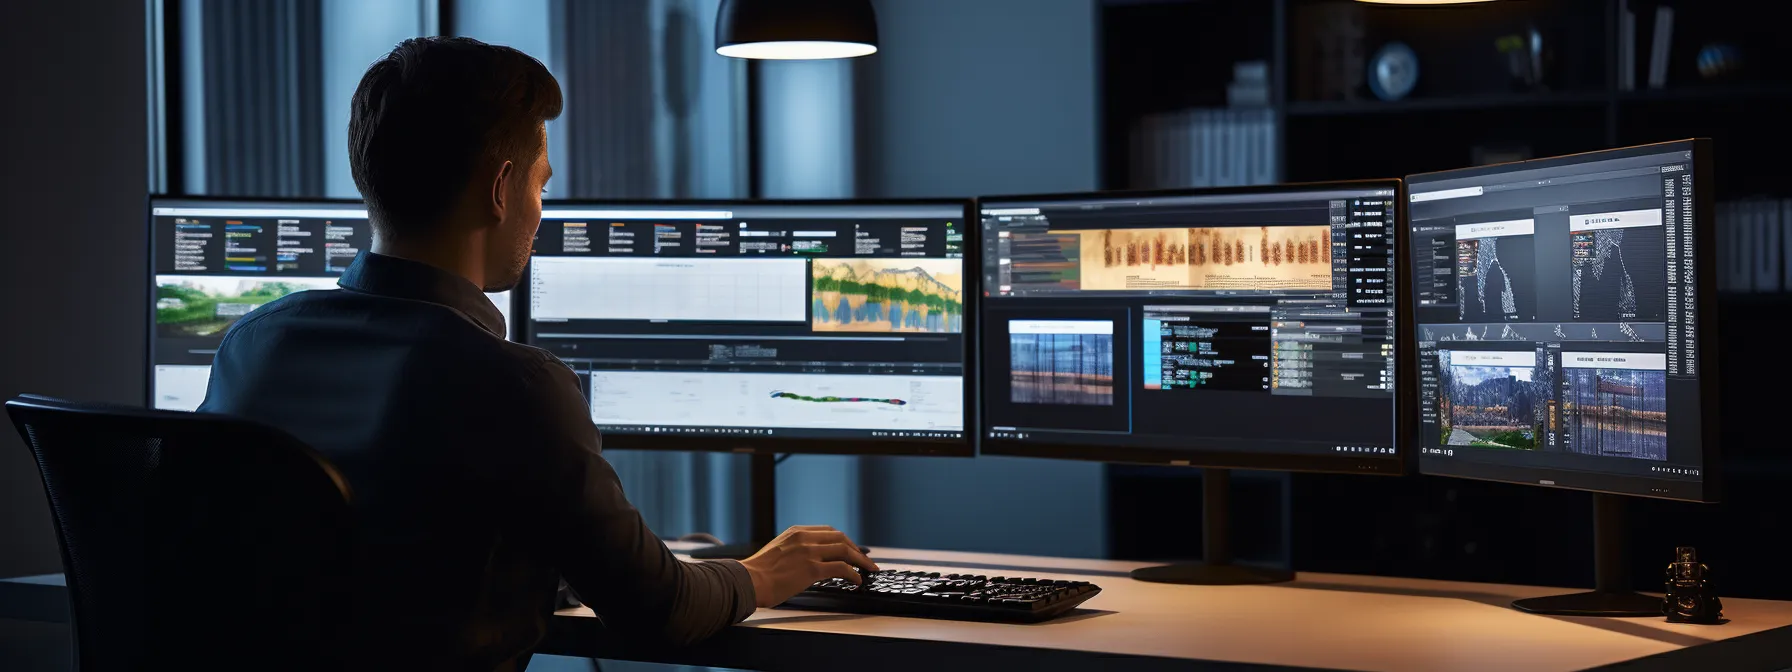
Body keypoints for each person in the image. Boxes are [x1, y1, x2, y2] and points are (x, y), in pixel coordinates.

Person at [198, 36, 875, 670]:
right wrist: (765, 571)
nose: (541, 209)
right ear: (500, 189)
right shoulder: (514, 384)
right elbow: (658, 610)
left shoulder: (253, 345)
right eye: (540, 184)